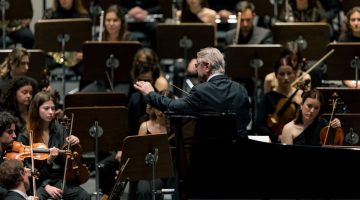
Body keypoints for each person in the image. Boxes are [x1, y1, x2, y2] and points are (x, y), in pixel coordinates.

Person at [134, 47, 251, 136]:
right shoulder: (241, 89)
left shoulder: (201, 91)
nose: (196, 68)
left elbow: (172, 106)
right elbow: (247, 119)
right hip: (239, 152)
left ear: (207, 66)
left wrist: (150, 93)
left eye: (197, 65)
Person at [17, 91, 90, 200]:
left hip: (60, 179)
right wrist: (45, 186)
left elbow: (71, 157)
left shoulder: (60, 129)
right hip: (38, 181)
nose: (51, 112)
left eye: (53, 108)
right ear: (36, 110)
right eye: (46, 108)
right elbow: (26, 168)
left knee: (83, 196)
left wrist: (75, 143)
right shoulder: (26, 135)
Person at [255, 54, 304, 143]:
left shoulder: (300, 95)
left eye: (289, 73)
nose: (286, 78)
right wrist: (276, 137)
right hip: (275, 142)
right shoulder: (268, 97)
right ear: (276, 75)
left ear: (294, 74)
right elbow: (258, 125)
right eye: (282, 74)